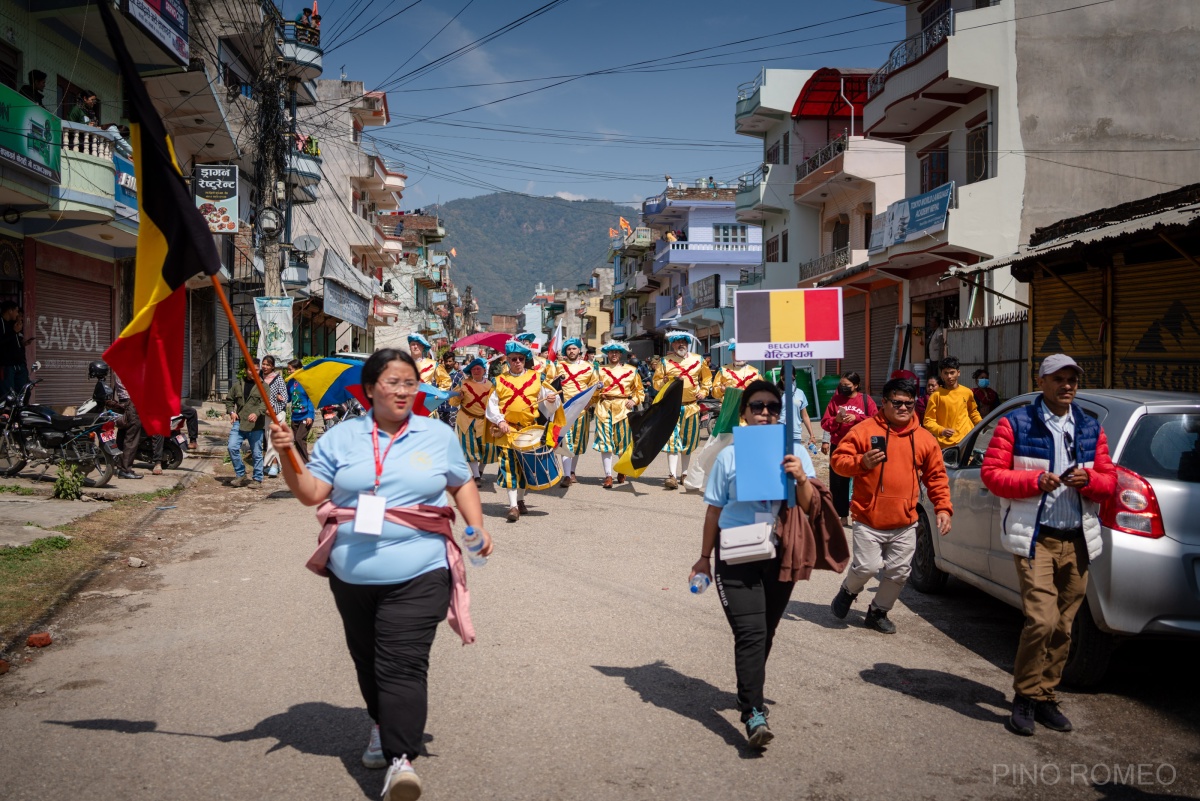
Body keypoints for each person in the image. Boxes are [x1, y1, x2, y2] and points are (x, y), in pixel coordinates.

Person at [267, 348, 492, 801]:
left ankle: (400, 760)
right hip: (351, 574)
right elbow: (312, 494)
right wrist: (289, 453)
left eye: (410, 382)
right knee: (368, 658)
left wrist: (477, 524)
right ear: (370, 389)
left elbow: (460, 480)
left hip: (423, 568)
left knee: (403, 662)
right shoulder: (341, 437)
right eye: (393, 382)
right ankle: (379, 723)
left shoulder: (437, 434)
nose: (404, 390)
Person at [689, 380, 835, 749]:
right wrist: (704, 559)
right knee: (751, 633)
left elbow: (809, 506)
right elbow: (713, 510)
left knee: (764, 632)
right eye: (757, 407)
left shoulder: (794, 454)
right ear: (744, 413)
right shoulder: (729, 457)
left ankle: (746, 691)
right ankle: (754, 711)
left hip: (779, 554)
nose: (766, 413)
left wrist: (800, 475)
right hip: (735, 555)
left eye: (772, 407)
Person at [980, 354, 1116, 737]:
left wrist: (1087, 480)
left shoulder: (1090, 428)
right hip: (1036, 538)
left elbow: (1109, 483)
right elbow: (992, 475)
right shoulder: (1015, 423)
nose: (1067, 386)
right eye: (1059, 379)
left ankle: (1045, 695)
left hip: (1077, 539)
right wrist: (1034, 481)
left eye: (1073, 379)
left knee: (1064, 625)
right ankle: (1024, 695)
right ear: (1041, 381)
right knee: (1041, 619)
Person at [829, 377, 953, 633]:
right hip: (868, 518)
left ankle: (878, 612)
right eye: (896, 402)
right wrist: (861, 462)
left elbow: (937, 476)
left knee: (899, 573)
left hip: (905, 522)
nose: (903, 408)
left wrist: (942, 508)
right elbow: (838, 461)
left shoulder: (925, 439)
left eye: (908, 403)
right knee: (867, 567)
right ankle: (848, 591)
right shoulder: (864, 430)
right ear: (884, 402)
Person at [485, 339, 562, 522]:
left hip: (529, 431)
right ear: (507, 361)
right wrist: (500, 420)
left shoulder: (537, 378)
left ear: (525, 359)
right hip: (506, 431)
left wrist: (552, 400)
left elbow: (551, 405)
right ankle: (513, 507)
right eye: (513, 359)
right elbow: (492, 406)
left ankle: (520, 500)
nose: (517, 362)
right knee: (509, 468)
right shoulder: (499, 381)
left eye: (520, 358)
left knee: (524, 468)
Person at [653, 331, 712, 489]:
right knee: (671, 440)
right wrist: (662, 382)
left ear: (688, 344)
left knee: (688, 440)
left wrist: (704, 391)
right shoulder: (665, 361)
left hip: (691, 406)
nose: (681, 344)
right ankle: (671, 475)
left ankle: (684, 474)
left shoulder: (698, 360)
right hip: (670, 407)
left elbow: (707, 379)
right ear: (672, 344)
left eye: (684, 342)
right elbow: (656, 382)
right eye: (677, 342)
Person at [820, 371, 877, 524]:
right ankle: (841, 515)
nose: (843, 388)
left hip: (861, 446)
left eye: (847, 385)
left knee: (864, 480)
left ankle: (863, 514)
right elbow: (825, 423)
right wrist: (836, 420)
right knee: (838, 482)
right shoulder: (835, 400)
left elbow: (876, 420)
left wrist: (857, 418)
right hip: (839, 445)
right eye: (842, 385)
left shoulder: (866, 400)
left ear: (856, 386)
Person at [594, 341, 644, 489]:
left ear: (621, 354)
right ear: (607, 354)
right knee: (605, 442)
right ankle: (608, 475)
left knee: (623, 441)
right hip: (604, 407)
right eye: (611, 352)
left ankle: (622, 469)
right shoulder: (599, 370)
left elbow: (639, 391)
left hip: (623, 408)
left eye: (616, 352)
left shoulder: (631, 370)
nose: (614, 354)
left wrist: (634, 400)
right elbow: (592, 390)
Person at [556, 337, 598, 486]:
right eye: (568, 349)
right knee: (565, 440)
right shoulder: (558, 366)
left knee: (577, 441)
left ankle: (572, 471)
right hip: (563, 409)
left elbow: (595, 388)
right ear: (565, 351)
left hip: (581, 410)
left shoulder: (589, 367)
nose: (571, 351)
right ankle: (566, 475)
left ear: (579, 350)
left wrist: (590, 402)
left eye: (574, 348)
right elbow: (549, 385)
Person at [448, 357, 496, 485]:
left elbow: (496, 403)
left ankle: (480, 471)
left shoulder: (490, 385)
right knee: (470, 447)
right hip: (466, 419)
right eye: (473, 369)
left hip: (484, 420)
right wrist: (458, 397)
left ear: (484, 370)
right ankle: (476, 477)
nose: (476, 371)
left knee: (487, 448)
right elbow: (452, 401)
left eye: (478, 369)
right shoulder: (463, 384)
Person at [923, 356, 982, 448]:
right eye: (946, 373)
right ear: (941, 375)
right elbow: (928, 421)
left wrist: (981, 423)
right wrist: (941, 430)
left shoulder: (967, 392)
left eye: (952, 372)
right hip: (945, 444)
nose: (949, 376)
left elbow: (973, 412)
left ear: (958, 373)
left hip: (966, 439)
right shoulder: (936, 396)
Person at [225, 361, 267, 488]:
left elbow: (265, 403)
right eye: (251, 370)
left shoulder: (263, 386)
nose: (254, 372)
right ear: (245, 370)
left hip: (256, 425)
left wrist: (257, 413)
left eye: (257, 369)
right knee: (232, 447)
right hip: (239, 422)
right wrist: (232, 412)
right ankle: (240, 474)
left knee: (256, 453)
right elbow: (229, 400)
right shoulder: (237, 385)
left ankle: (257, 479)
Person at [107, 370, 144, 480]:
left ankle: (119, 467)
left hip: (124, 404)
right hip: (132, 404)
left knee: (122, 436)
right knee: (131, 439)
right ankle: (125, 470)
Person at [260, 356, 288, 477]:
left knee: (273, 440)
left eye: (267, 365)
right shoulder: (260, 378)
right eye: (263, 364)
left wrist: (273, 410)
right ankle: (272, 464)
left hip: (277, 415)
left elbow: (284, 398)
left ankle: (274, 465)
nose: (265, 367)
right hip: (264, 414)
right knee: (268, 439)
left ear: (272, 366)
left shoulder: (278, 379)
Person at [407, 334, 446, 417]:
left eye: (418, 344)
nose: (416, 347)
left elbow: (445, 381)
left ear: (423, 347)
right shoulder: (402, 363)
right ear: (409, 346)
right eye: (413, 344)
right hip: (407, 407)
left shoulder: (432, 364)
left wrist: (437, 395)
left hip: (426, 407)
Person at [287, 358, 315, 462]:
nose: (288, 371)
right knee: (298, 440)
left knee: (299, 438)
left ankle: (306, 463)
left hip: (305, 416)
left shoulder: (306, 382)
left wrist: (310, 415)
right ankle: (300, 462)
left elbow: (310, 399)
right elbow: (289, 398)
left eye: (290, 369)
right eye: (288, 369)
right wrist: (281, 397)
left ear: (298, 369)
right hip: (295, 416)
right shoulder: (290, 383)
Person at [0, 301, 29, 398]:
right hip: (7, 366)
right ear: (10, 310)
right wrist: (13, 332)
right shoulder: (2, 323)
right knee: (8, 395)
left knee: (22, 394)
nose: (17, 314)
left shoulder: (13, 324)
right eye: (16, 311)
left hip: (18, 364)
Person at [436, 351, 464, 427]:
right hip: (440, 408)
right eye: (446, 361)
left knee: (451, 432)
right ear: (443, 362)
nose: (448, 363)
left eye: (450, 361)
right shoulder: (439, 374)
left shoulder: (459, 376)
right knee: (442, 433)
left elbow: (463, 393)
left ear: (454, 362)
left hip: (452, 409)